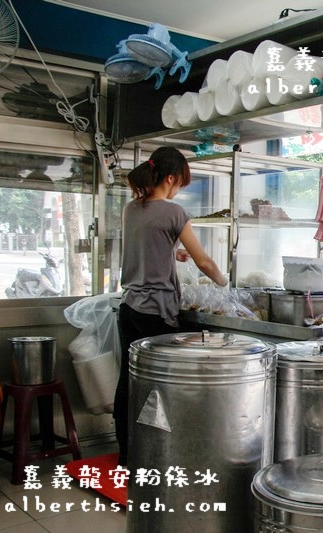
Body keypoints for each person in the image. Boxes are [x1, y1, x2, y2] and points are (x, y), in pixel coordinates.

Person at [114, 146, 227, 466]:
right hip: (157, 313)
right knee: (164, 387)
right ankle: (161, 454)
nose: (179, 190)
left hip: (130, 308)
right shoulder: (174, 213)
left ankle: (127, 452)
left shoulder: (131, 208)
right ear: (170, 178)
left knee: (129, 381)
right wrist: (224, 283)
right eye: (180, 184)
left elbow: (146, 244)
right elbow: (204, 261)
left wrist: (171, 254)